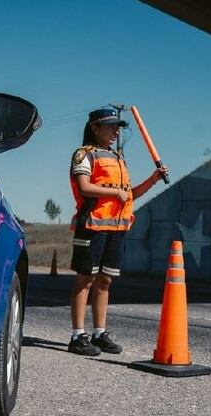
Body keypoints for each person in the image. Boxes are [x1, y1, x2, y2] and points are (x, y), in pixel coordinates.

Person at [67, 106, 168, 356]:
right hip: (92, 224)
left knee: (105, 281)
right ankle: (77, 336)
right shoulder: (84, 154)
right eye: (111, 126)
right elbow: (84, 187)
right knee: (85, 280)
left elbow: (129, 195)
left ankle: (99, 333)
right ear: (95, 128)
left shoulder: (119, 158)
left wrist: (153, 180)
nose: (115, 131)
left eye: (118, 127)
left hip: (117, 227)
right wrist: (114, 192)